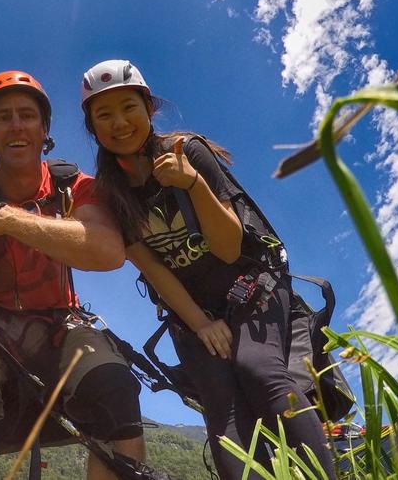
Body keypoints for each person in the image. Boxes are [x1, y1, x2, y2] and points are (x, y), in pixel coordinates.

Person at [80, 59, 336, 478]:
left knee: (260, 371)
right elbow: (151, 268)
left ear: (148, 109)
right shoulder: (109, 194)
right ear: (93, 127)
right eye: (103, 114)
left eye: (129, 107)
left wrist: (193, 185)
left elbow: (231, 247)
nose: (119, 122)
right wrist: (200, 324)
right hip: (191, 313)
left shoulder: (188, 152)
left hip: (252, 286)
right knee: (222, 408)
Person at [0, 70, 147, 480]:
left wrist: (8, 220)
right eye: (3, 117)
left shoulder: (73, 187)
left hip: (59, 326)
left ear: (44, 128)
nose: (16, 126)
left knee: (116, 389)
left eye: (27, 115)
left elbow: (107, 251)